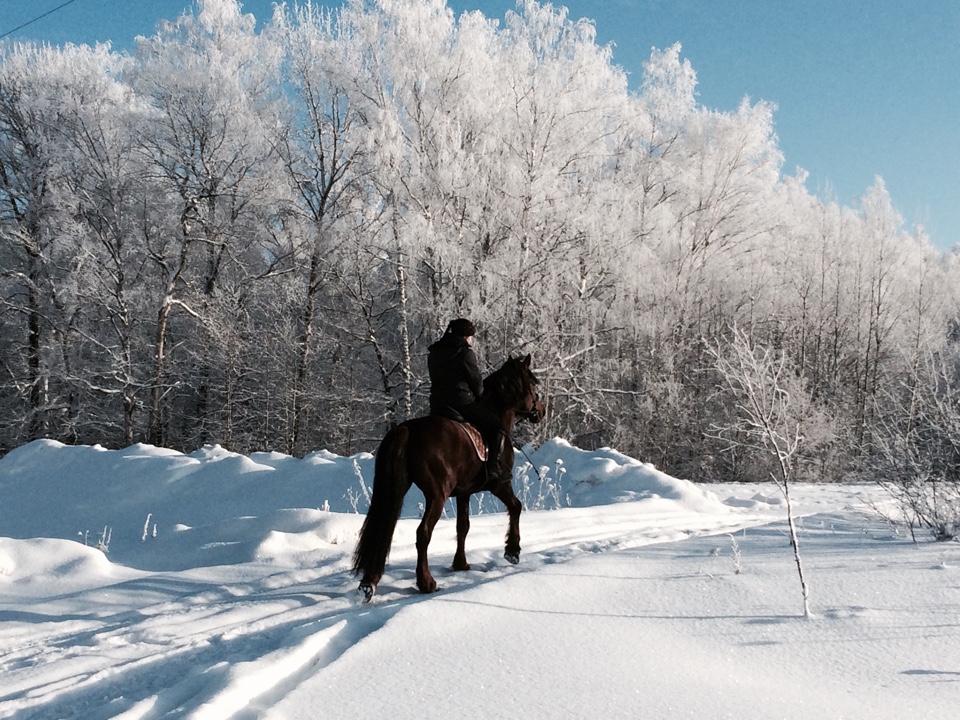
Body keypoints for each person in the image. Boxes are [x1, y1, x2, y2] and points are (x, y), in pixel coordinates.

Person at [428, 318, 506, 481]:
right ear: (465, 336)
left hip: (437, 403)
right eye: (471, 336)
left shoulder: (434, 352)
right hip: (462, 403)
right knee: (497, 427)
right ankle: (493, 468)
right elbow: (477, 385)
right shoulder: (465, 353)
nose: (471, 340)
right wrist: (480, 396)